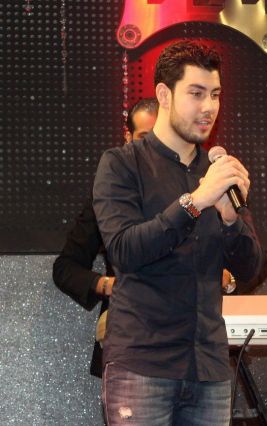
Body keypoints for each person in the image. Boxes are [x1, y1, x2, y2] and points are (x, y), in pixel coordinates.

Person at [93, 40, 267, 425]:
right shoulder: (122, 165)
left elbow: (253, 270)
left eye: (215, 95)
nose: (209, 107)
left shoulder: (218, 172)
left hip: (209, 368)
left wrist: (230, 220)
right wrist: (195, 201)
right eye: (196, 93)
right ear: (164, 95)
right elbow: (124, 250)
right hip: (142, 365)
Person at [52, 97, 159, 378]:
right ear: (128, 137)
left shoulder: (197, 187)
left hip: (190, 342)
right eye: (144, 138)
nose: (152, 148)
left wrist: (227, 279)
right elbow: (65, 268)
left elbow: (245, 263)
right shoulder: (110, 194)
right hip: (127, 341)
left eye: (160, 138)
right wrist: (109, 285)